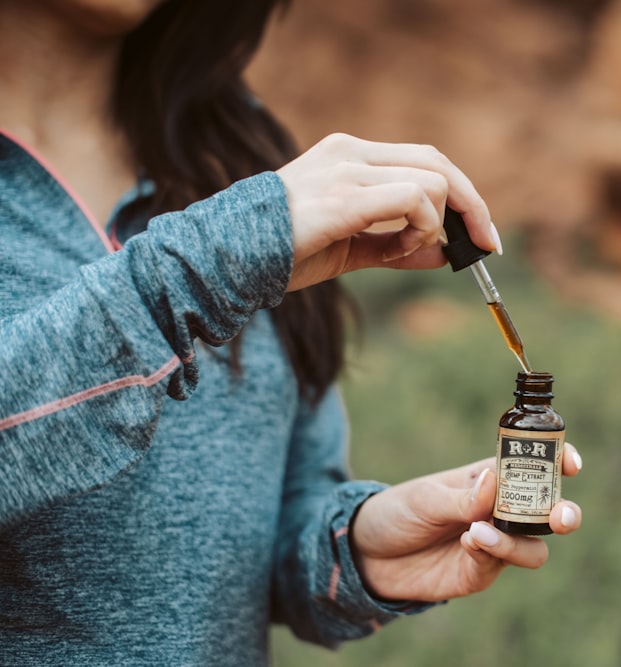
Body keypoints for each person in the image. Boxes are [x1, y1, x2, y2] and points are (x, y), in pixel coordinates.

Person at [0, 0, 583, 664]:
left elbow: (261, 526)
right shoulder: (248, 216)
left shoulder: (237, 155)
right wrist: (209, 262)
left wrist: (355, 549)